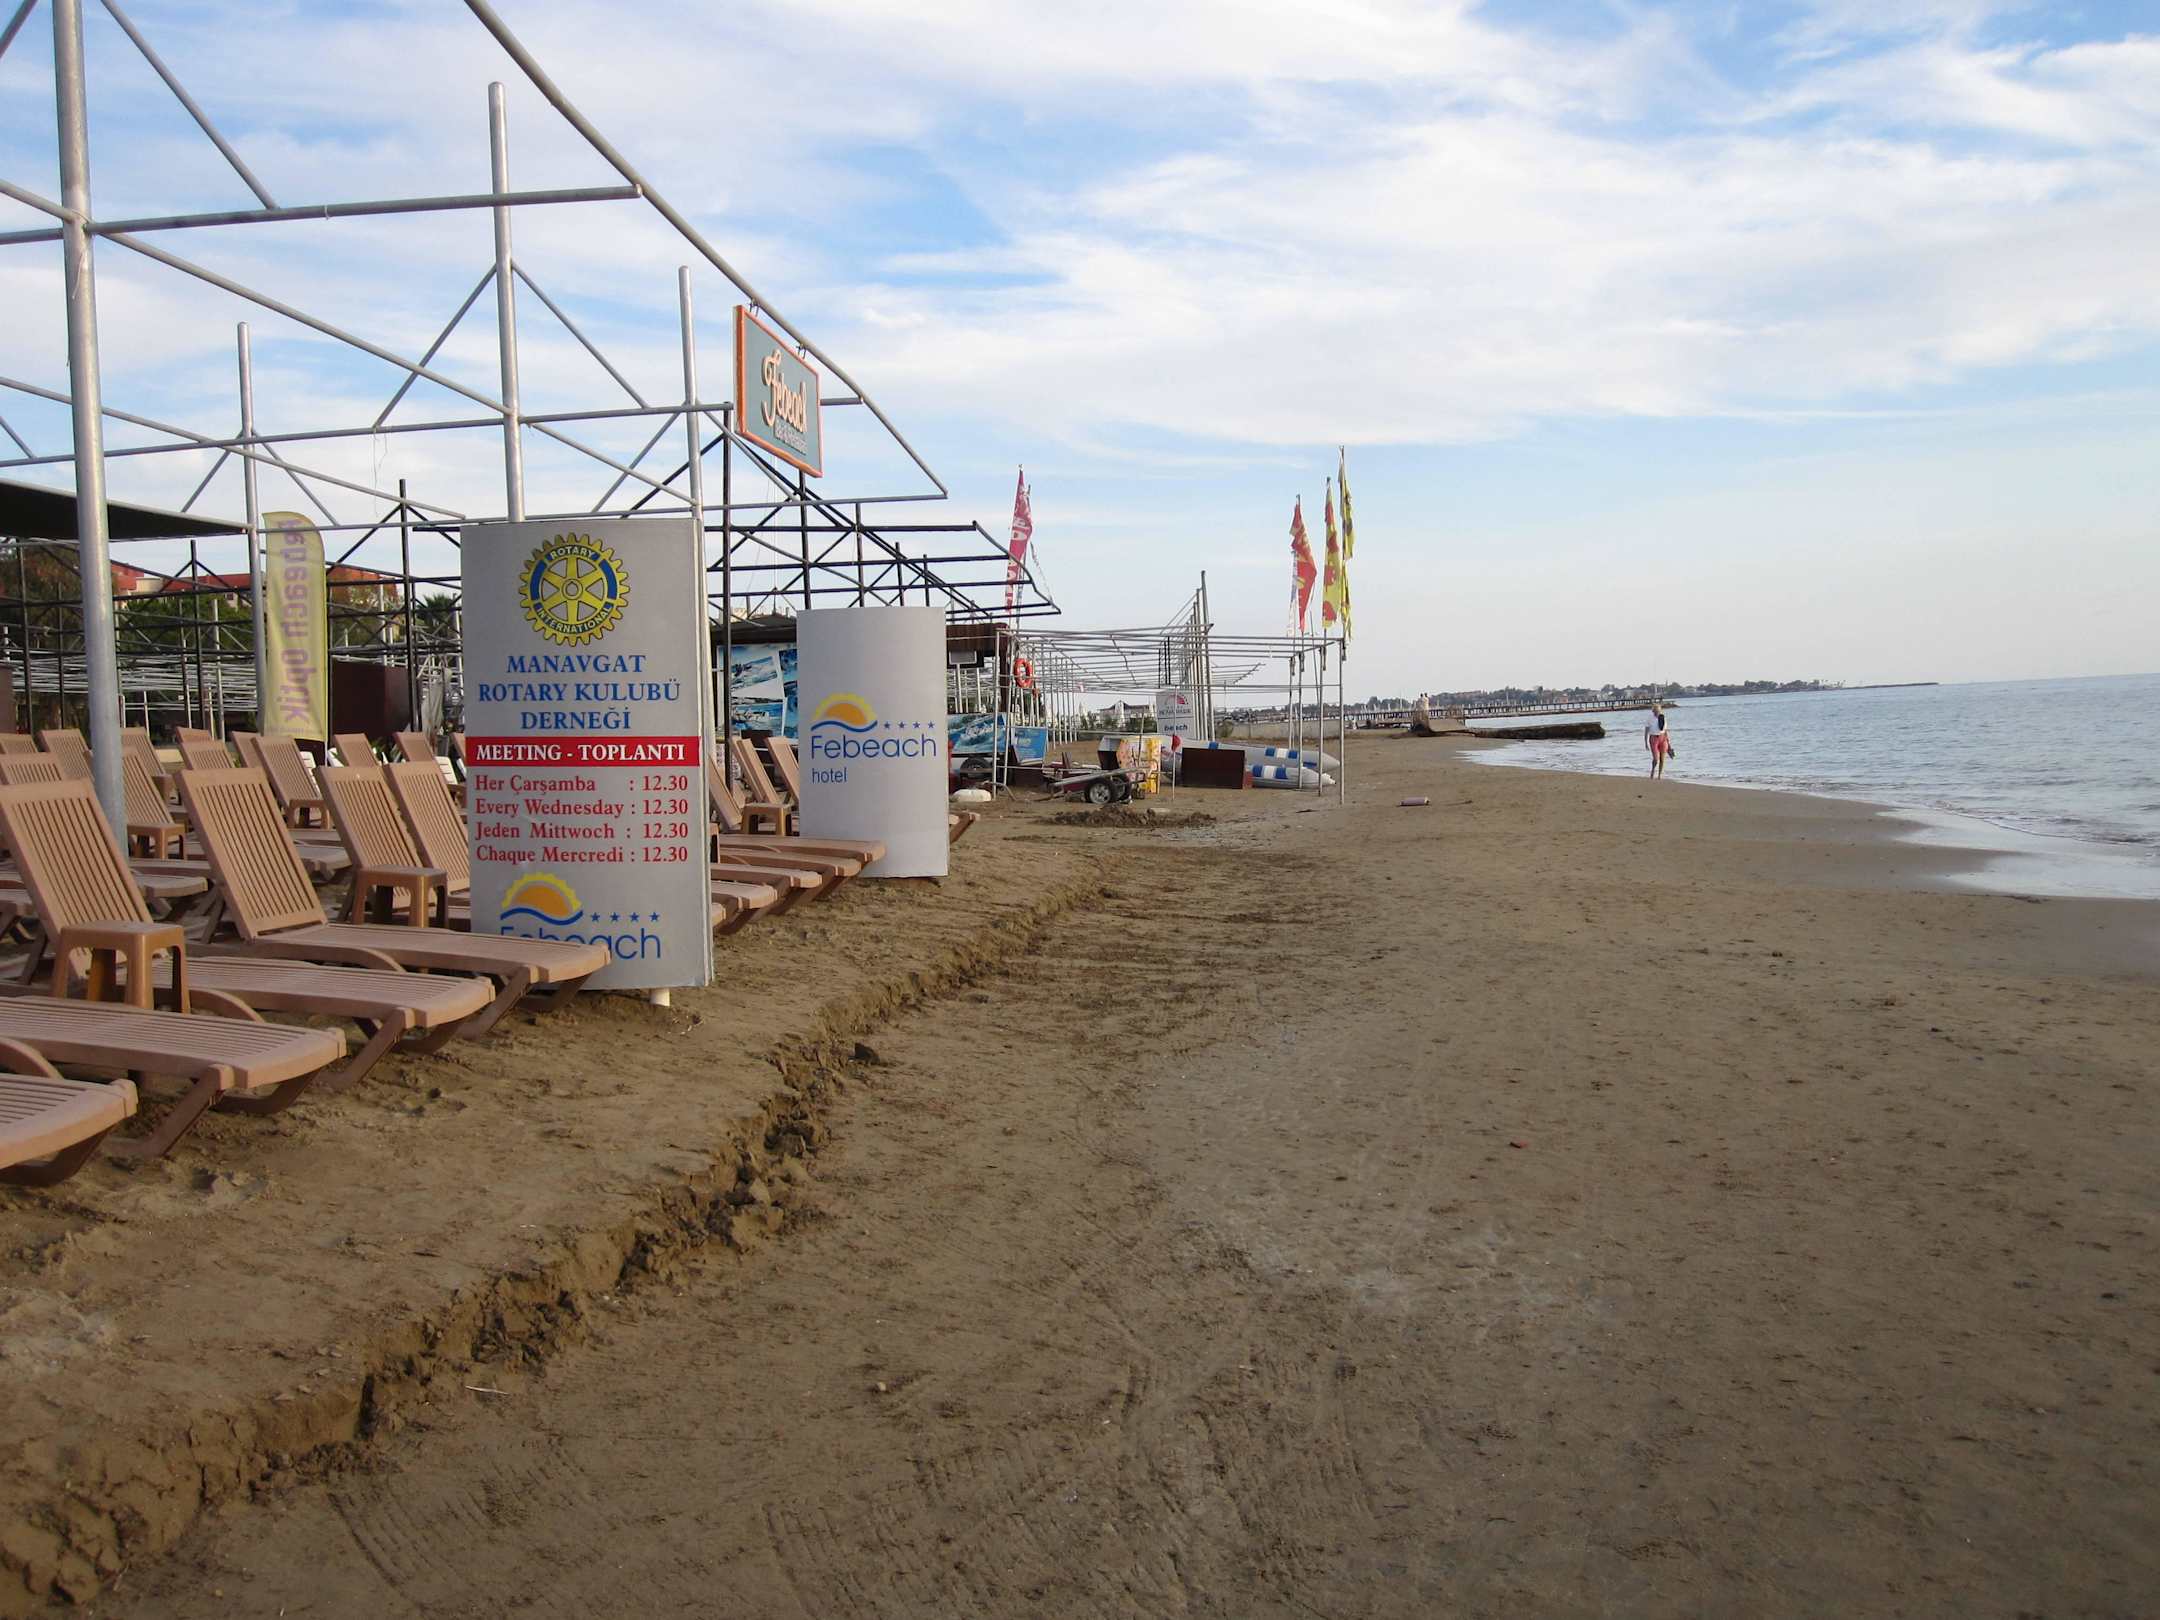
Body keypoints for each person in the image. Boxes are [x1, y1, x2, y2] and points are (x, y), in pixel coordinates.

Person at [1644, 702, 1674, 779]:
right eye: (1655, 711)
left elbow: (1665, 731)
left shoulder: (1663, 717)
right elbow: (1646, 730)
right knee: (1656, 758)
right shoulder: (1650, 718)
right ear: (1653, 711)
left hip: (1663, 738)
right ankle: (1653, 770)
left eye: (1658, 711)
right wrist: (1646, 743)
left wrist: (1669, 744)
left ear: (1660, 711)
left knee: (1662, 759)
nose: (1656, 713)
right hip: (1653, 738)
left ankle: (1659, 775)